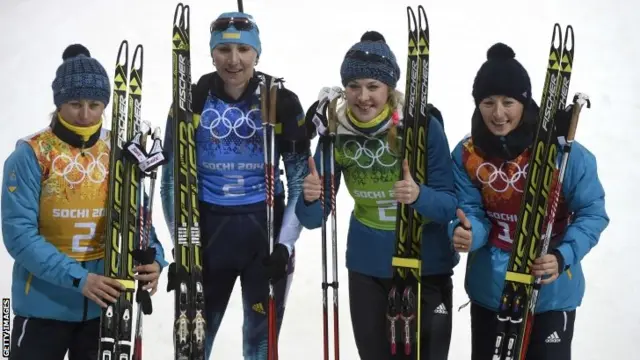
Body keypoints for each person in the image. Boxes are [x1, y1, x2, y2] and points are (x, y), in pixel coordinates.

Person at [296, 31, 459, 360]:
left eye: (373, 86)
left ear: (389, 89)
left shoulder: (423, 127)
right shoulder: (335, 130)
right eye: (354, 86)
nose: (363, 96)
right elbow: (314, 219)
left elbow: (448, 205)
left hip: (426, 263)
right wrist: (311, 199)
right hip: (368, 267)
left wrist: (418, 196)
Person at [160, 11, 312, 359]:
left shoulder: (281, 100)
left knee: (259, 345)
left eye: (243, 50)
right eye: (224, 51)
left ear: (257, 53)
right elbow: (171, 180)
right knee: (192, 347)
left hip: (265, 235)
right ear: (212, 53)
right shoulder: (193, 98)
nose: (233, 60)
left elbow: (301, 177)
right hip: (208, 237)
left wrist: (285, 245)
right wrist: (183, 245)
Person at [1, 44, 167, 360]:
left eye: (95, 104)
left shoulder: (119, 150)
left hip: (103, 308)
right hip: (41, 307)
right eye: (75, 103)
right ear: (59, 103)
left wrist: (155, 258)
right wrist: (78, 278)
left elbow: (138, 216)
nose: (85, 114)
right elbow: (19, 238)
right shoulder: (31, 154)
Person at [448, 43, 609, 359]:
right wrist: (469, 232)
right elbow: (470, 211)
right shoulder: (467, 154)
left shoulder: (564, 155)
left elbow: (592, 211)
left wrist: (562, 256)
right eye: (487, 102)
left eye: (508, 102)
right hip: (490, 290)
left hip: (550, 292)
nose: (498, 113)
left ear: (524, 102)